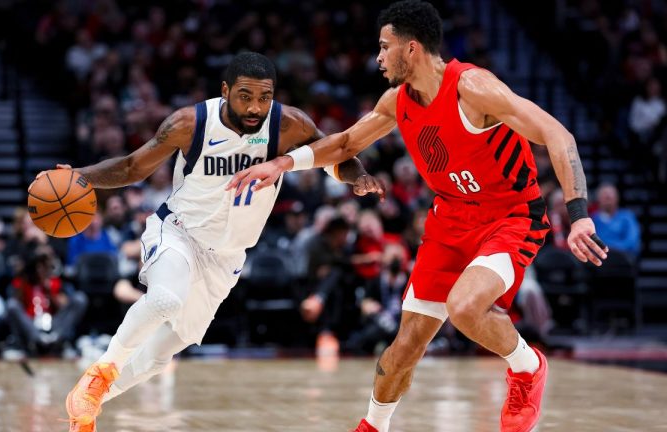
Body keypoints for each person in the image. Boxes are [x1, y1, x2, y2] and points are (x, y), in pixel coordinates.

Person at [228, 2, 609, 431]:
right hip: (449, 221)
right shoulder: (396, 101)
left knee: (464, 308)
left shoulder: (474, 88)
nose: (377, 57)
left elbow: (559, 135)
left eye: (384, 47)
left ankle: (527, 366)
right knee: (403, 348)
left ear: (411, 49)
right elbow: (345, 144)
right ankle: (373, 426)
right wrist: (281, 164)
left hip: (510, 216)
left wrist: (578, 214)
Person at [42, 52, 381, 432]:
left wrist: (358, 175)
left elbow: (334, 152)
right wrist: (81, 176)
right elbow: (132, 167)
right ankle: (101, 371)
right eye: (245, 95)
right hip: (178, 232)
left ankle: (87, 402)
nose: (255, 107)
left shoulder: (288, 124)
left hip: (226, 258)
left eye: (264, 97)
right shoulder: (189, 122)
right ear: (225, 91)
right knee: (165, 298)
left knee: (160, 355)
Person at [591, 183, 641, 259]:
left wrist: (610, 249)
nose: (608, 197)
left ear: (617, 198)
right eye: (605, 195)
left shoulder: (627, 217)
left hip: (624, 259)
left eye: (611, 195)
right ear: (598, 199)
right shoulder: (593, 219)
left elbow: (632, 242)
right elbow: (591, 243)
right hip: (600, 261)